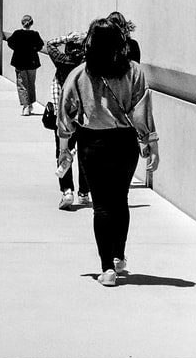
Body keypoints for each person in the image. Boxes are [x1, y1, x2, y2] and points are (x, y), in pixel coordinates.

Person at [57, 19, 159, 287]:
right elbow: (143, 111)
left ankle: (107, 269)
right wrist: (152, 144)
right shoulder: (134, 72)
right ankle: (119, 256)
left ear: (90, 43)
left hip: (93, 144)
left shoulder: (79, 74)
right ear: (119, 43)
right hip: (125, 144)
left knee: (101, 206)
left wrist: (63, 151)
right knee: (120, 200)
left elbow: (65, 116)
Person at [46, 32, 90, 209]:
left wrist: (65, 38)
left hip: (64, 116)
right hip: (84, 116)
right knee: (85, 155)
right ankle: (84, 192)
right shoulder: (86, 65)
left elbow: (50, 44)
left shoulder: (62, 61)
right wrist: (85, 37)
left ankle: (67, 190)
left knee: (63, 151)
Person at [3, 15, 44, 115]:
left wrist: (18, 49)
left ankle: (26, 106)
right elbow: (40, 45)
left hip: (20, 62)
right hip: (32, 62)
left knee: (22, 84)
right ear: (31, 23)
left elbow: (10, 43)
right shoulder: (35, 34)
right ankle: (30, 104)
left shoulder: (17, 34)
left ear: (22, 22)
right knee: (31, 83)